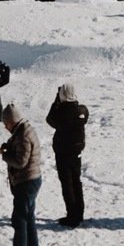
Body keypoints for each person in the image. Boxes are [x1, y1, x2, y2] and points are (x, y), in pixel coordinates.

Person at [0, 102, 42, 246]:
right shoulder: (23, 130)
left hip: (26, 181)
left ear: (12, 121)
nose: (5, 127)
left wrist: (5, 155)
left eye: (6, 123)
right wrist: (8, 148)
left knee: (20, 218)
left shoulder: (22, 134)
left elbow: (20, 161)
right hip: (31, 179)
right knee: (28, 216)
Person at [46, 83, 89, 227]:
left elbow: (50, 119)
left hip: (63, 152)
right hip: (77, 151)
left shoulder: (61, 112)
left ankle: (72, 216)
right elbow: (83, 113)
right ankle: (79, 213)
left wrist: (56, 100)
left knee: (67, 184)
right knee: (76, 181)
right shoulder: (82, 110)